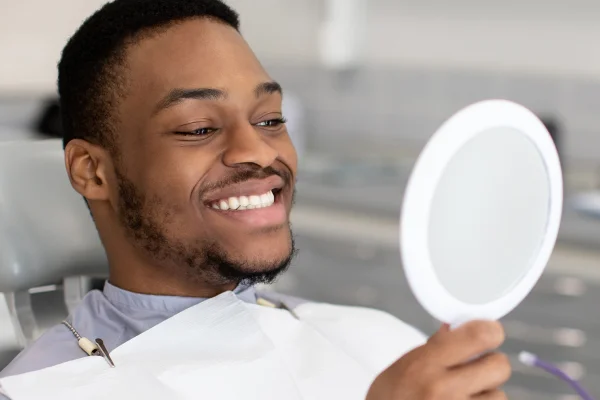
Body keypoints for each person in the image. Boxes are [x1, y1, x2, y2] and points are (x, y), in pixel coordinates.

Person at [0, 0, 511, 398]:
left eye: (269, 120)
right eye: (199, 127)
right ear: (92, 172)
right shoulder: (42, 389)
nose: (257, 151)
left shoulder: (380, 341)